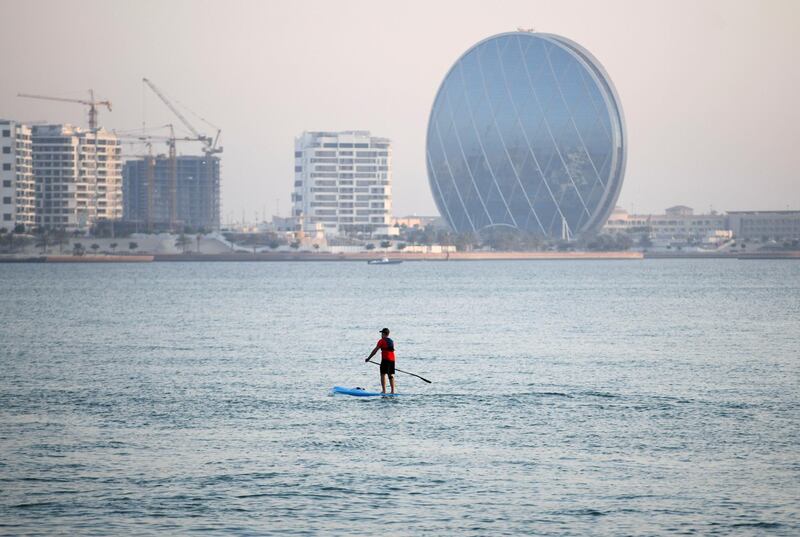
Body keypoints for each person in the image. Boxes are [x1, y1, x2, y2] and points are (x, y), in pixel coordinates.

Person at [366, 327, 395, 394]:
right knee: (390, 375)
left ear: (384, 334)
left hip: (385, 359)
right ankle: (392, 391)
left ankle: (384, 391)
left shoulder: (381, 341)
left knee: (383, 374)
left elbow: (375, 350)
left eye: (382, 333)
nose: (381, 335)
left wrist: (369, 358)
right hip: (392, 359)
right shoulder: (391, 341)